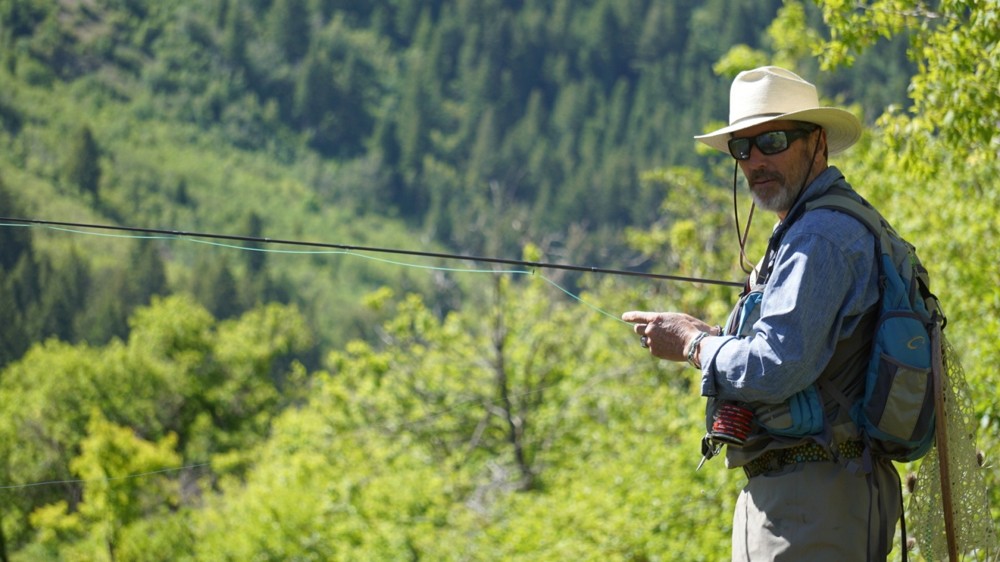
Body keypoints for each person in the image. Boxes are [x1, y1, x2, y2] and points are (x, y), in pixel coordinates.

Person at [622, 66, 903, 561]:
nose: (754, 161)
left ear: (817, 141)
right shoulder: (824, 227)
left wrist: (694, 344)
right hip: (812, 499)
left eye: (771, 140)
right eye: (742, 148)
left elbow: (775, 367)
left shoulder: (818, 237)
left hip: (812, 503)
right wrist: (714, 339)